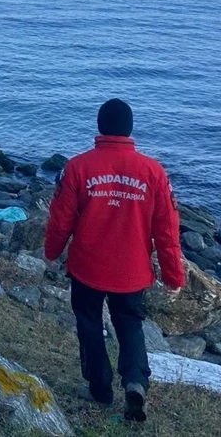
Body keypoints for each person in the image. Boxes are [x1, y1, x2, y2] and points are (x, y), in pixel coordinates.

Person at [44, 98, 186, 423]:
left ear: (100, 127)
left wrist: (51, 253)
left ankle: (100, 388)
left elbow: (60, 221)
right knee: (130, 324)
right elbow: (167, 230)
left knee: (89, 323)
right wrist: (173, 277)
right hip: (131, 270)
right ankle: (135, 381)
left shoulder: (77, 167)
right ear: (129, 129)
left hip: (87, 266)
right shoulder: (153, 172)